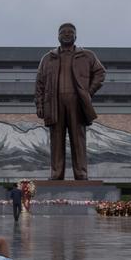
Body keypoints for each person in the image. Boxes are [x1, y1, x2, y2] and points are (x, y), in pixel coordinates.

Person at [35, 23, 106, 180]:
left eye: (70, 32)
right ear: (58, 36)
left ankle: (81, 173)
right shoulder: (48, 58)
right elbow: (39, 83)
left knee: (78, 139)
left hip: (77, 103)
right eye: (63, 32)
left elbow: (100, 73)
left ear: (75, 36)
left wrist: (88, 92)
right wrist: (39, 105)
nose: (67, 34)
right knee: (56, 139)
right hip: (54, 103)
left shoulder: (87, 55)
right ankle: (56, 173)